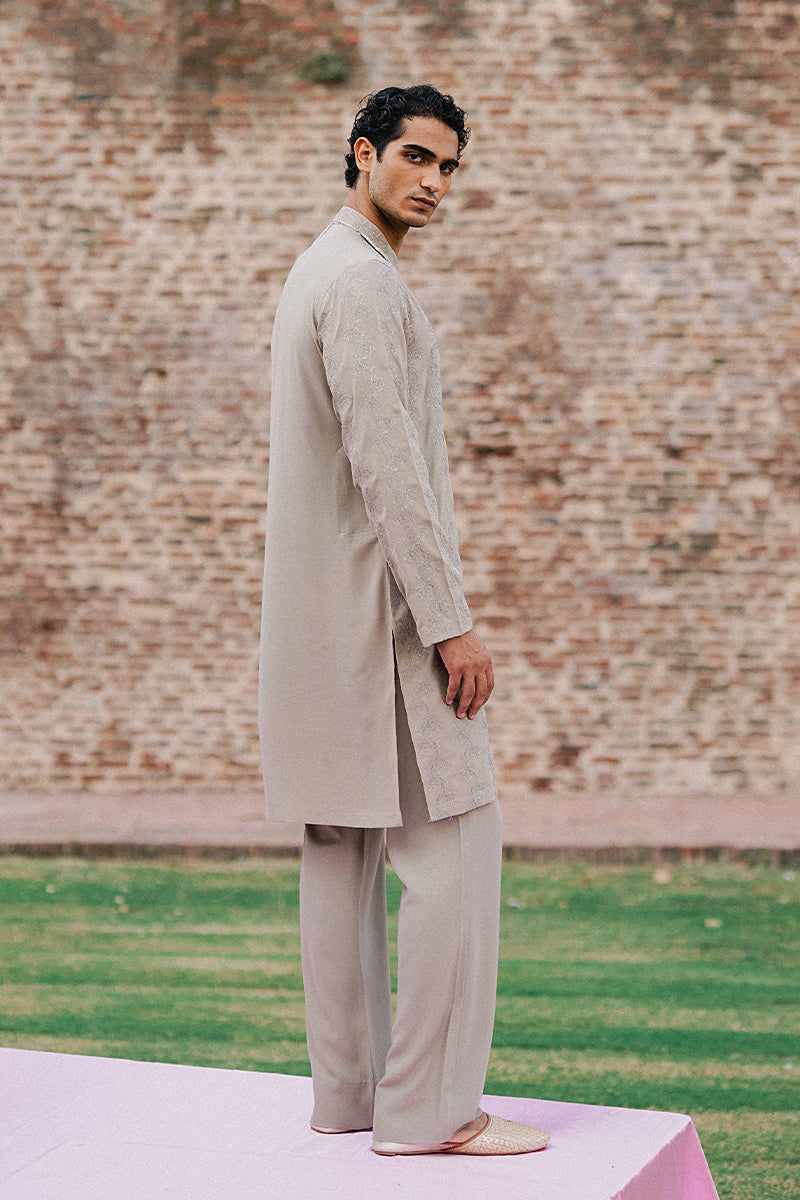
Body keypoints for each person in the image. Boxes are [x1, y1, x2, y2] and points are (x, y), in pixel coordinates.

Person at [259, 84, 549, 1157]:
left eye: (448, 167)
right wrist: (449, 623)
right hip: (384, 623)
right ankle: (430, 1111)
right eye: (415, 158)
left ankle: (348, 1099)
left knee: (339, 856)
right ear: (362, 152)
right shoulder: (362, 283)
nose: (432, 182)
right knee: (456, 849)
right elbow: (390, 470)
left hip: (314, 627)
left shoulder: (316, 268)